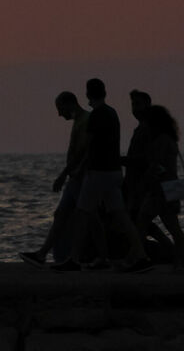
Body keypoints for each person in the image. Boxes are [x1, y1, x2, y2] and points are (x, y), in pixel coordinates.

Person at [75, 77, 147, 271]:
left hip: (98, 172)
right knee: (120, 215)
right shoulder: (112, 113)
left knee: (82, 212)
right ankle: (140, 256)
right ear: (104, 93)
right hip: (114, 172)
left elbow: (89, 146)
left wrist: (79, 170)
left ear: (88, 94)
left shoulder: (96, 115)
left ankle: (72, 259)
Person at [23, 91, 87, 267]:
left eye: (60, 109)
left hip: (80, 177)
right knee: (65, 214)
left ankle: (45, 254)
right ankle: (42, 254)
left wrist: (64, 174)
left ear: (69, 104)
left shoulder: (84, 122)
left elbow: (81, 153)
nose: (59, 114)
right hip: (76, 177)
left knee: (85, 216)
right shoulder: (80, 122)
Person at [125, 90, 183, 266]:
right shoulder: (168, 139)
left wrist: (143, 184)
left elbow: (156, 167)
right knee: (158, 224)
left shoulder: (161, 141)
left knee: (155, 224)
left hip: (162, 189)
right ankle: (136, 257)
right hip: (169, 187)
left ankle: (136, 258)